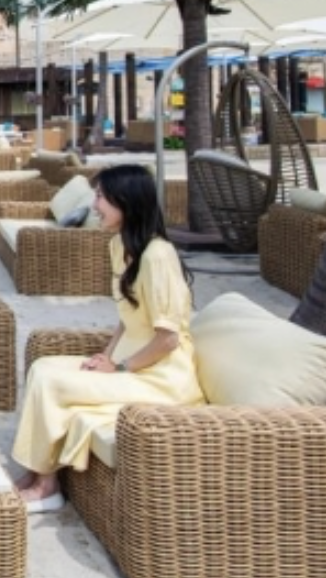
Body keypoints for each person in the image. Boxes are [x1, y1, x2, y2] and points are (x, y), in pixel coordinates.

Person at [11, 164, 203, 514]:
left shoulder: (158, 256)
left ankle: (47, 486)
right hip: (130, 365)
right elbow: (127, 317)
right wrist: (107, 356)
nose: (94, 205)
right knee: (42, 366)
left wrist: (120, 368)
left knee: (53, 384)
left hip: (161, 378)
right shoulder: (120, 245)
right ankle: (36, 471)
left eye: (100, 197)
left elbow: (168, 339)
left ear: (125, 201)